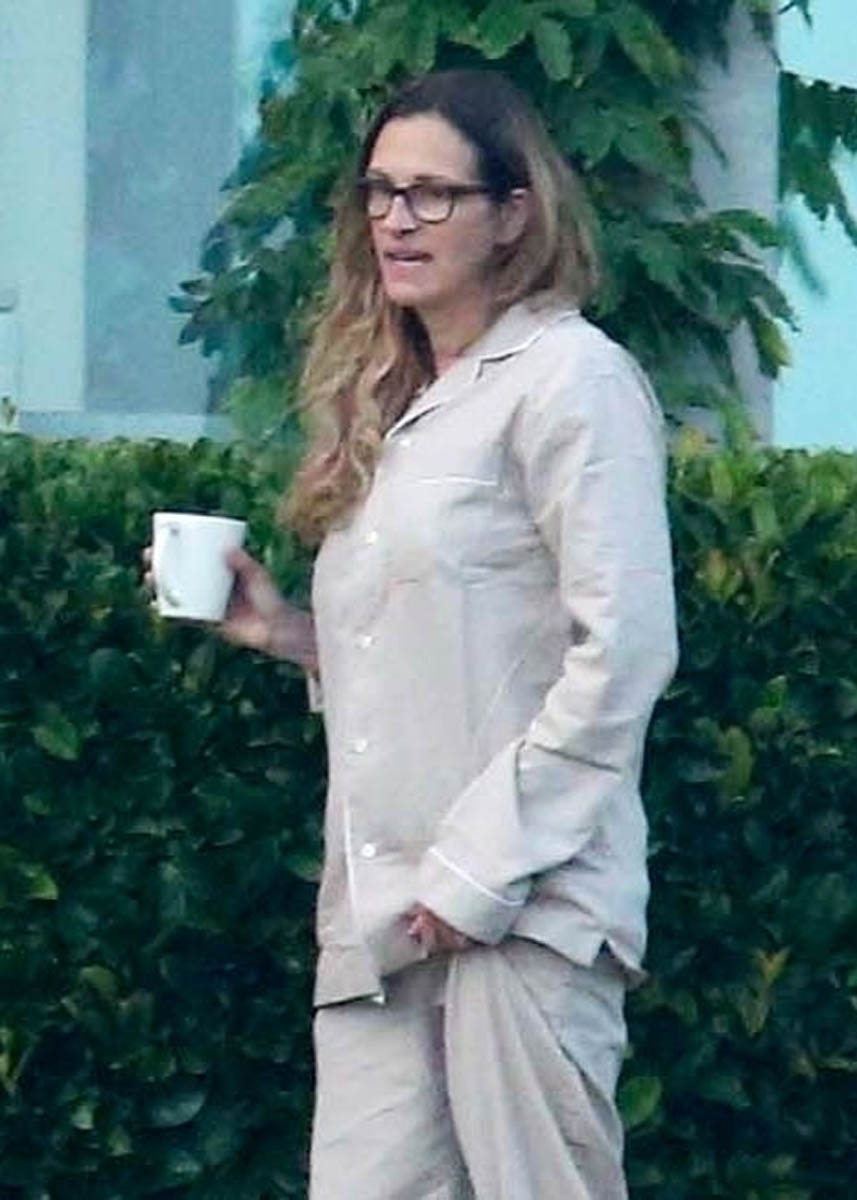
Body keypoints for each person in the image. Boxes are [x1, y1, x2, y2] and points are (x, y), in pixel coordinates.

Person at [155, 69, 678, 1200]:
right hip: (380, 919)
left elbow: (623, 651)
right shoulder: (392, 402)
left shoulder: (570, 380)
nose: (397, 219)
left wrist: (476, 869)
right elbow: (442, 648)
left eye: (433, 194)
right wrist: (287, 635)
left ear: (513, 213)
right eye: (380, 192)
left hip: (520, 911)